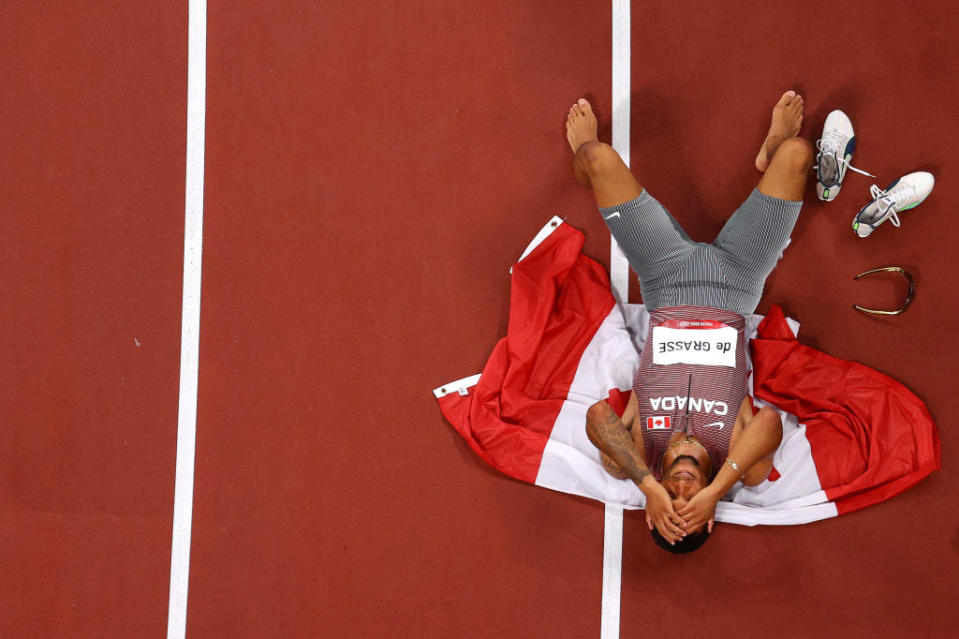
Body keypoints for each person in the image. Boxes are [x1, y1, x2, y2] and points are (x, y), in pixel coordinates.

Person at [569, 92, 812, 552]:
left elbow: (598, 416)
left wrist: (647, 484)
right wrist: (719, 490)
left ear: (653, 511)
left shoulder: (635, 456)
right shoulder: (741, 464)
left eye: (671, 502)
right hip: (737, 282)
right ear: (710, 514)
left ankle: (579, 155)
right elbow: (772, 424)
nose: (682, 489)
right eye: (692, 504)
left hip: (666, 277)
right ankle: (773, 147)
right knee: (797, 154)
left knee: (595, 158)